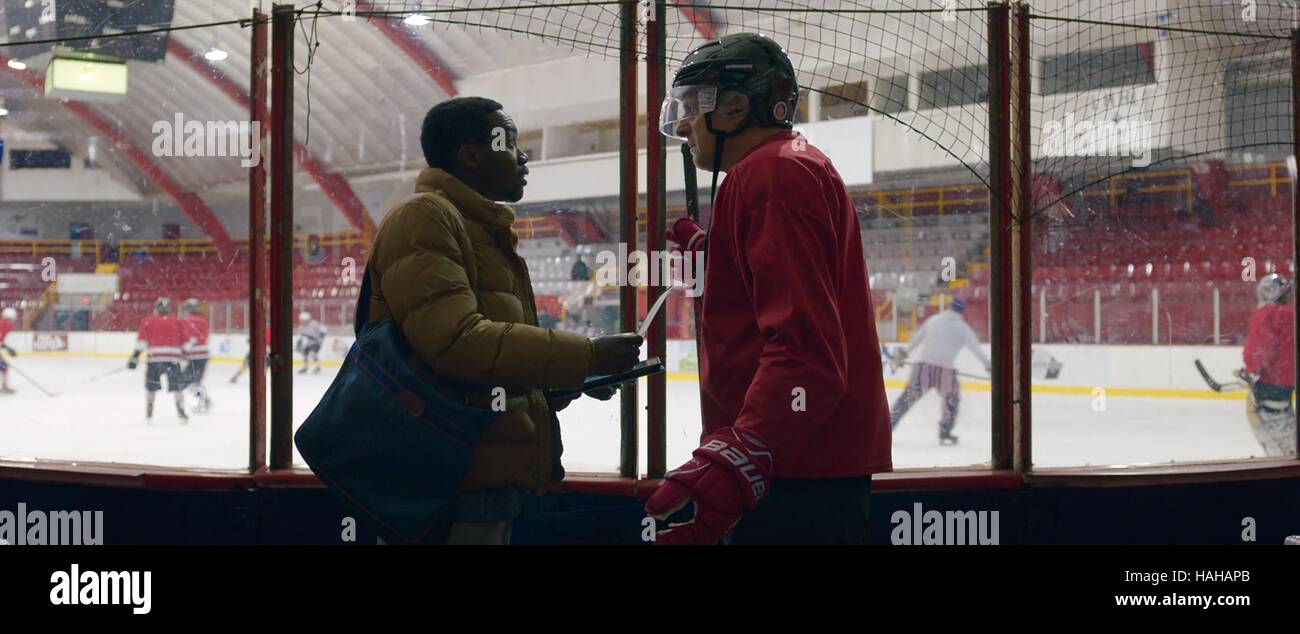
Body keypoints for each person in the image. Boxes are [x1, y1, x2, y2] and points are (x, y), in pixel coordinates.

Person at [645, 33, 891, 545]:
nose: (683, 124)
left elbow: (806, 354)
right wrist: (718, 260)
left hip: (797, 472)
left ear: (735, 107)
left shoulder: (773, 174)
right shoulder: (781, 166)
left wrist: (745, 450)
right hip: (795, 461)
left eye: (693, 106)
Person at [366, 96, 642, 544]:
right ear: (470, 154)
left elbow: (482, 364)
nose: (523, 155)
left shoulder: (478, 227)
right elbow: (458, 344)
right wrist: (585, 353)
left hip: (483, 469)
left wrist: (556, 383)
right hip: (449, 476)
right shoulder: (425, 218)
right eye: (509, 142)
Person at [889, 299, 990, 445]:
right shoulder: (962, 328)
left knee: (906, 399)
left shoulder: (933, 320)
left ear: (949, 308)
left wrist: (903, 354)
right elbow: (976, 348)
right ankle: (945, 431)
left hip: (923, 368)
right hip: (945, 372)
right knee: (951, 400)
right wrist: (988, 365)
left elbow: (917, 339)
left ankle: (888, 426)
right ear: (962, 312)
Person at [1241, 273, 1296, 457]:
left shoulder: (1266, 314)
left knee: (1274, 427)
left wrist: (1252, 370)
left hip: (1270, 382)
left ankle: (1285, 466)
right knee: (1286, 417)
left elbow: (1258, 348)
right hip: (1288, 381)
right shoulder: (1292, 314)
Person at [128, 298, 188, 423]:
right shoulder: (177, 322)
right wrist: (185, 353)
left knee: (151, 386)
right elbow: (185, 342)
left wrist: (135, 356)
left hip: (154, 359)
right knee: (177, 387)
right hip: (173, 360)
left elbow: (142, 342)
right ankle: (181, 410)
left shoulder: (147, 321)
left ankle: (149, 410)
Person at [179, 298, 212, 413]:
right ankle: (202, 400)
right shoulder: (203, 320)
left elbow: (191, 339)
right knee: (195, 380)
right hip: (203, 355)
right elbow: (202, 337)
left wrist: (184, 350)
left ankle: (201, 401)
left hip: (194, 356)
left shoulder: (186, 321)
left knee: (188, 381)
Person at [0, 307, 17, 394]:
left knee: (3, 366)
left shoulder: (2, 322)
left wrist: (7, 348)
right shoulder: (6, 324)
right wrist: (8, 349)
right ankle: (5, 386)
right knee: (4, 366)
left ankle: (4, 385)